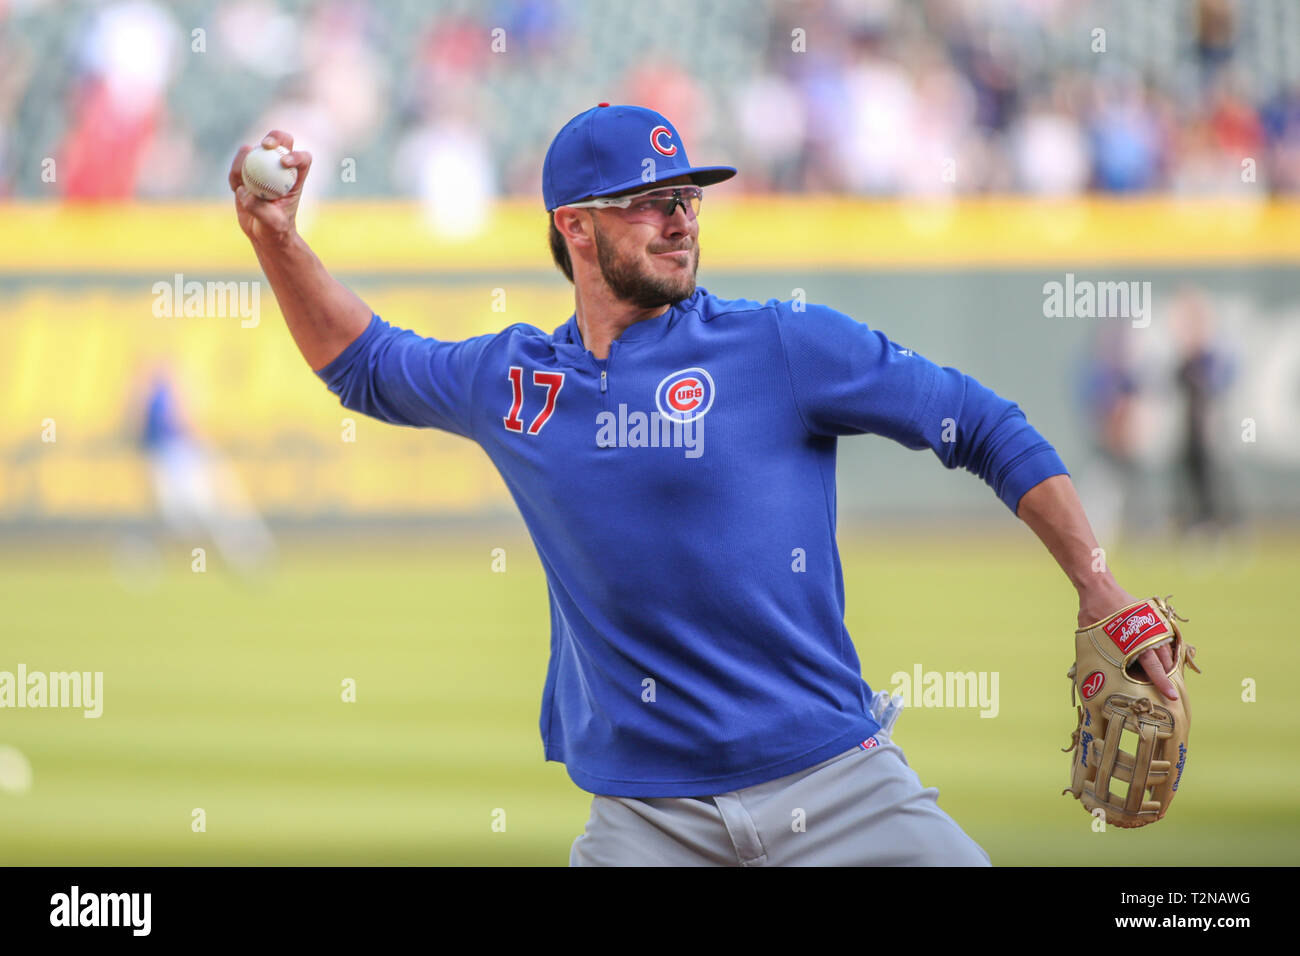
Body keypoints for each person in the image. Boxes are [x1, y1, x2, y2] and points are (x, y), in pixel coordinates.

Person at [229, 104, 1179, 866]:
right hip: (646, 826)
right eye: (649, 200)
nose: (681, 215)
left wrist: (1096, 579)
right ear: (575, 225)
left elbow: (980, 423)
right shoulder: (517, 384)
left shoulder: (781, 344)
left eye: (688, 195)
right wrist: (275, 239)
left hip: (838, 790)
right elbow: (363, 363)